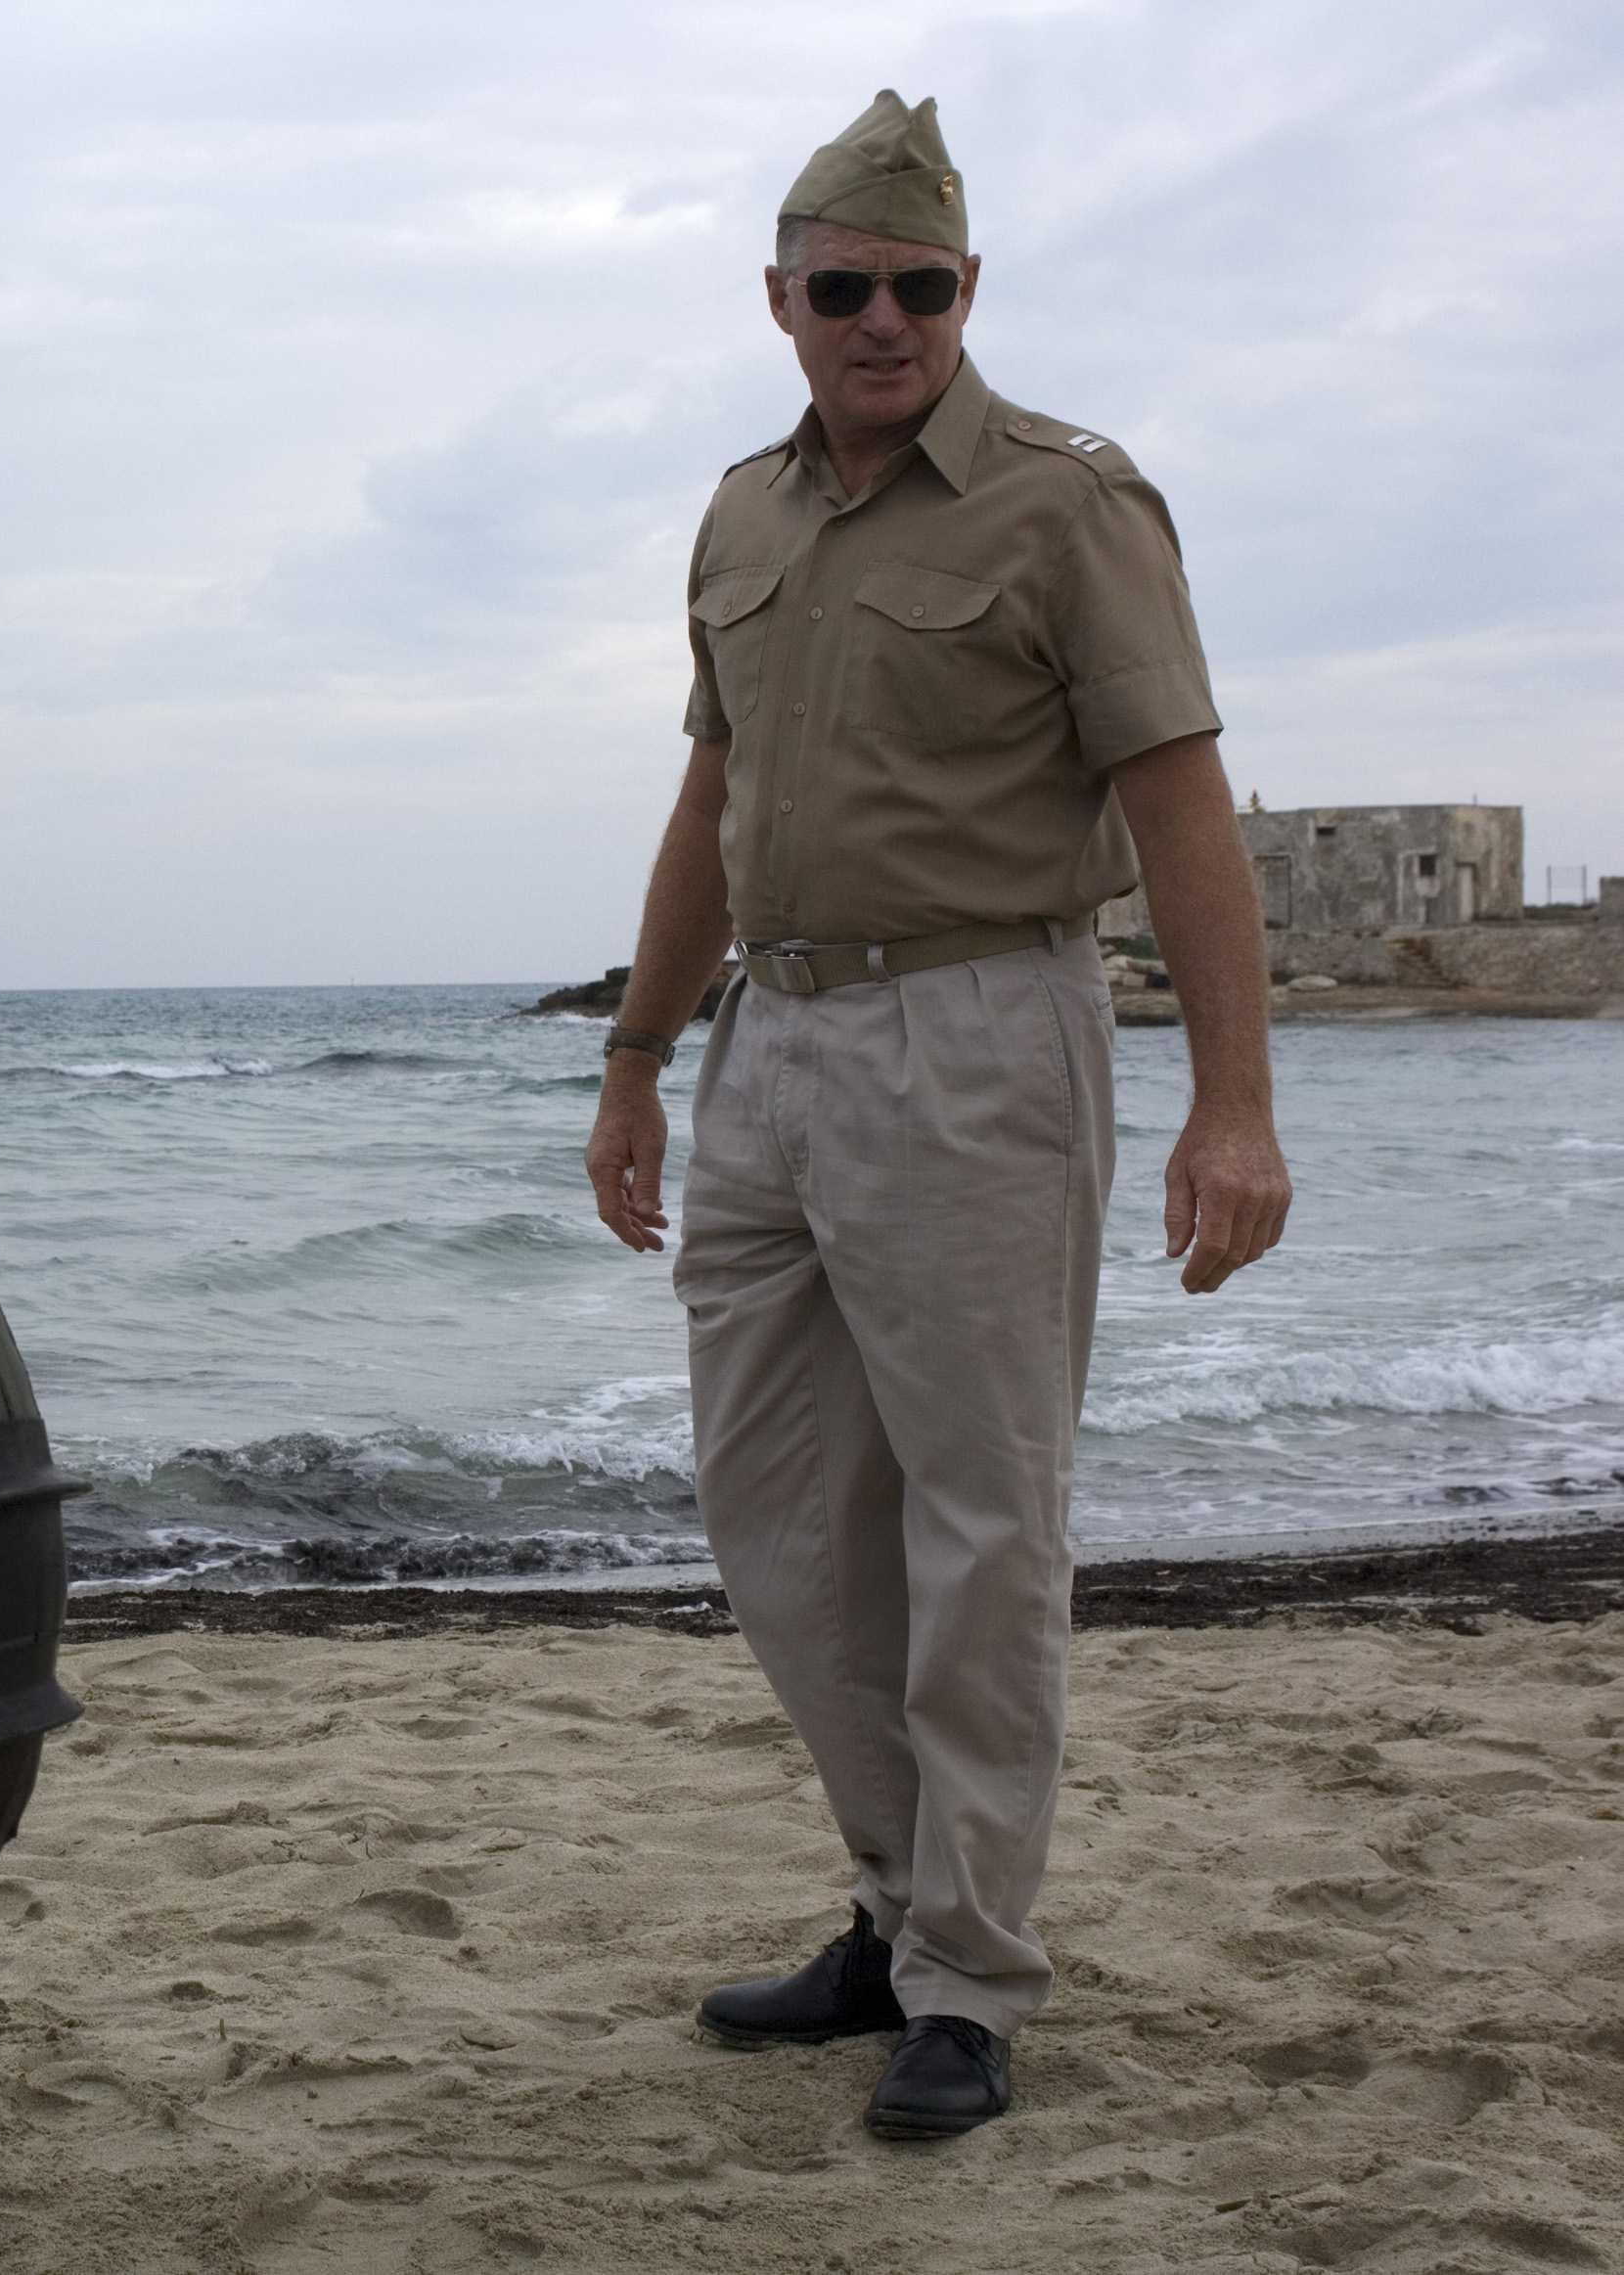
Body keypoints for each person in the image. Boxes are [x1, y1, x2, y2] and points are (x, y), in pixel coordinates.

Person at [582, 90, 1291, 2139]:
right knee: (782, 1514)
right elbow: (711, 796)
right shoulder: (739, 516)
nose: (880, 320)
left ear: (968, 292)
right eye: (843, 290)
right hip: (770, 1042)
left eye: (917, 287)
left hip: (983, 1028)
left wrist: (1232, 1103)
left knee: (985, 1525)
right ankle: (897, 1907)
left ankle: (968, 1971)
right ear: (781, 303)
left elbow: (1180, 801)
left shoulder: (1073, 505)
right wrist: (634, 1055)